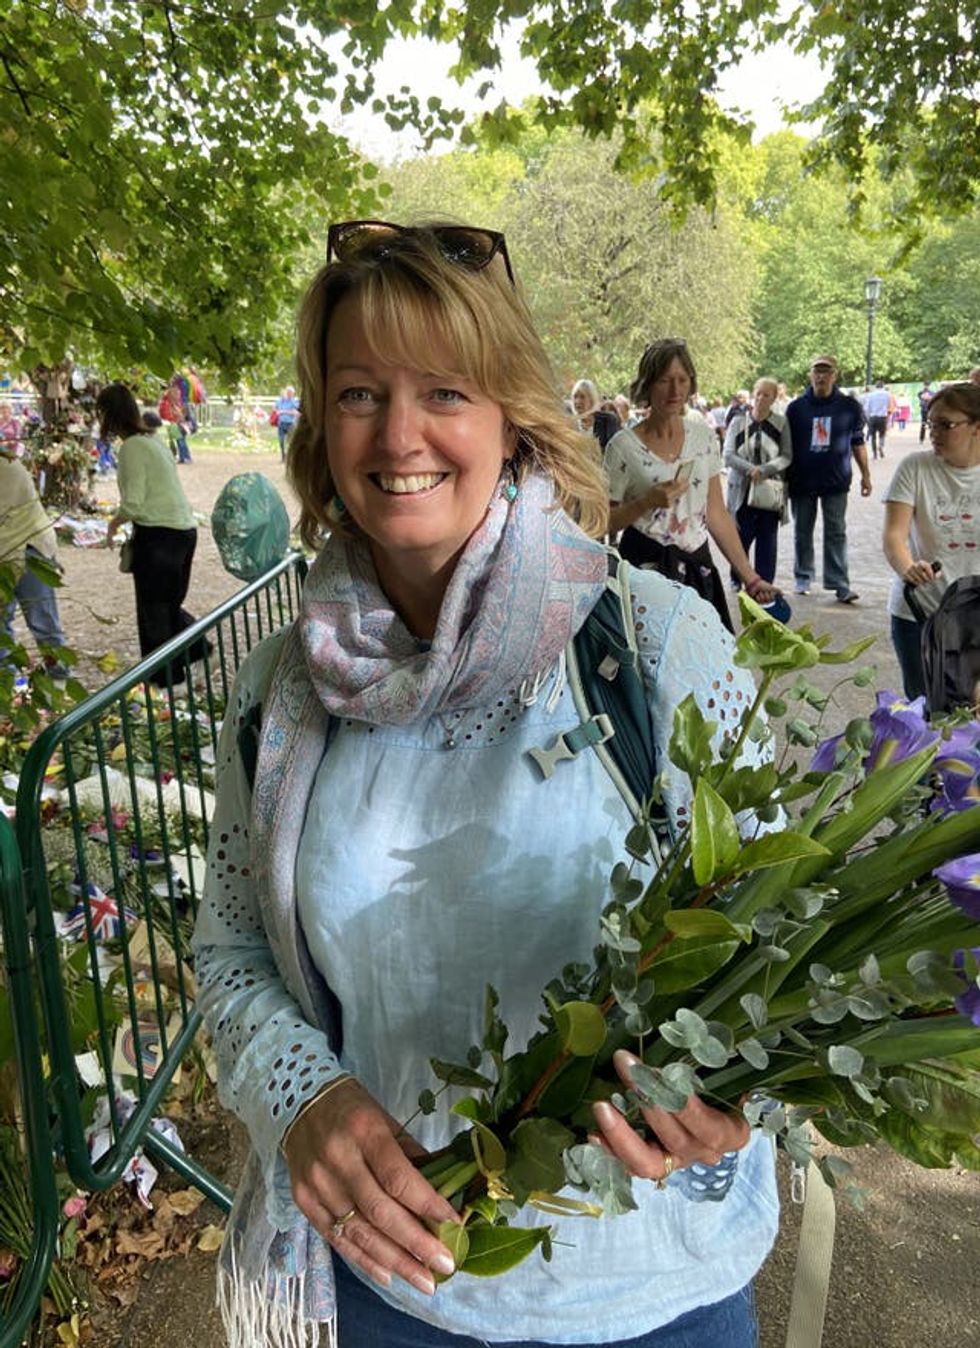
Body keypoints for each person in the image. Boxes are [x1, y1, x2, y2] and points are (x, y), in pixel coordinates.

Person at [192, 221, 778, 1348]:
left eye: (444, 392)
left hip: (652, 1297)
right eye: (358, 392)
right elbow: (230, 954)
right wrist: (298, 1098)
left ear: (510, 414)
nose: (398, 433)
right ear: (322, 423)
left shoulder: (654, 646)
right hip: (394, 1288)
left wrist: (740, 1099)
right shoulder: (283, 691)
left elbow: (773, 950)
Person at [604, 338, 777, 632]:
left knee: (706, 666)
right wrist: (645, 502)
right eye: (664, 380)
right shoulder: (622, 447)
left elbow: (716, 514)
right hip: (644, 574)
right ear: (647, 384)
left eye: (682, 380)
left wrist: (750, 577)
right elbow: (602, 522)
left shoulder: (704, 438)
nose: (675, 390)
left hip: (697, 570)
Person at [96, 383, 204, 685]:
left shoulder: (132, 447)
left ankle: (165, 679)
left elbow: (133, 501)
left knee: (153, 610)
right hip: (183, 531)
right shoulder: (152, 440)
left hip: (158, 536)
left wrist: (112, 525)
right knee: (168, 604)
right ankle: (192, 652)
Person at [882, 381, 980, 700]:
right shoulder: (915, 467)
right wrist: (908, 566)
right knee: (927, 711)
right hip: (920, 614)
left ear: (976, 428)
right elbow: (894, 535)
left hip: (974, 618)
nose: (934, 432)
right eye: (931, 422)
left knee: (971, 714)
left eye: (945, 425)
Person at [785, 355, 871, 602]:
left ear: (835, 375)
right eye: (817, 371)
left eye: (826, 371)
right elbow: (786, 447)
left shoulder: (849, 407)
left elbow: (858, 442)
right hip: (802, 481)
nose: (821, 376)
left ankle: (839, 583)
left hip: (836, 481)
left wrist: (866, 476)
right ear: (810, 375)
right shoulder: (796, 408)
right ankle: (803, 577)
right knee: (802, 531)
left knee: (836, 531)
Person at [1, 439, 68, 675]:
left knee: (43, 624)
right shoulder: (9, 460)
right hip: (20, 548)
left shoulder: (6, 465)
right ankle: (6, 688)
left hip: (27, 548)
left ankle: (58, 683)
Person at [723, 377, 793, 588]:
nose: (761, 398)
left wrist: (765, 470)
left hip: (769, 491)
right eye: (759, 393)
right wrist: (749, 469)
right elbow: (728, 455)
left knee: (767, 539)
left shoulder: (781, 423)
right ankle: (738, 577)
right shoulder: (738, 422)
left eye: (767, 395)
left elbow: (786, 455)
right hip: (742, 489)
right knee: (740, 536)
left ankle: (764, 581)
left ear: (774, 398)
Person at [570, 378, 619, 450]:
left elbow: (613, 450)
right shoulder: (570, 424)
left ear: (591, 400)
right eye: (575, 397)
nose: (577, 401)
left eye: (582, 397)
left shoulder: (607, 420)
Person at [159, 378, 192, 463]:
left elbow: (171, 405)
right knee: (180, 439)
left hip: (175, 419)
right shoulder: (176, 392)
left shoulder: (171, 394)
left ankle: (184, 457)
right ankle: (185, 456)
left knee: (179, 439)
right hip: (176, 418)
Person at [863, 381, 890, 460]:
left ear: (876, 386)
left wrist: (868, 417)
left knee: (873, 436)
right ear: (883, 386)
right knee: (882, 434)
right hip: (883, 417)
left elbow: (866, 408)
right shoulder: (887, 394)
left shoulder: (871, 395)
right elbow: (888, 405)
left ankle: (874, 454)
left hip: (873, 417)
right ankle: (881, 446)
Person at [274, 384, 301, 461]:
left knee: (291, 442)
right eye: (288, 392)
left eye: (290, 392)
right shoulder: (281, 401)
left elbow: (297, 413)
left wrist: (284, 412)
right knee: (281, 440)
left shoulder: (295, 402)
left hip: (290, 424)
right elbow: (276, 409)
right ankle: (283, 456)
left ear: (293, 393)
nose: (289, 393)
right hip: (281, 423)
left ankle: (291, 457)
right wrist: (278, 411)